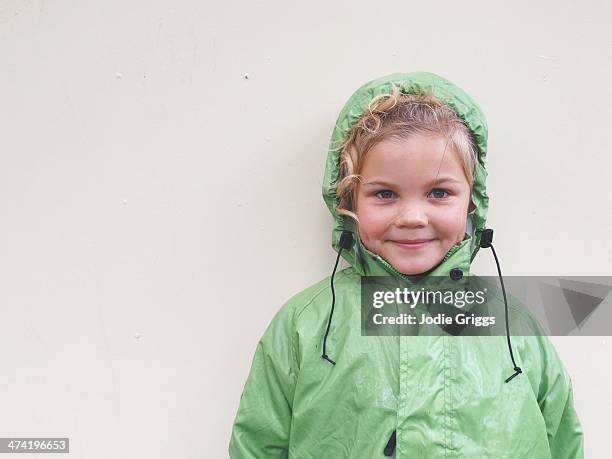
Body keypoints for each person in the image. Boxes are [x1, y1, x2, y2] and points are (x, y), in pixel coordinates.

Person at [228, 72, 584, 458]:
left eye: (439, 193)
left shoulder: (512, 325)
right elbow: (257, 445)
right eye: (385, 193)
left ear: (472, 201)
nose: (413, 217)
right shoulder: (305, 325)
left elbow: (561, 436)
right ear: (349, 202)